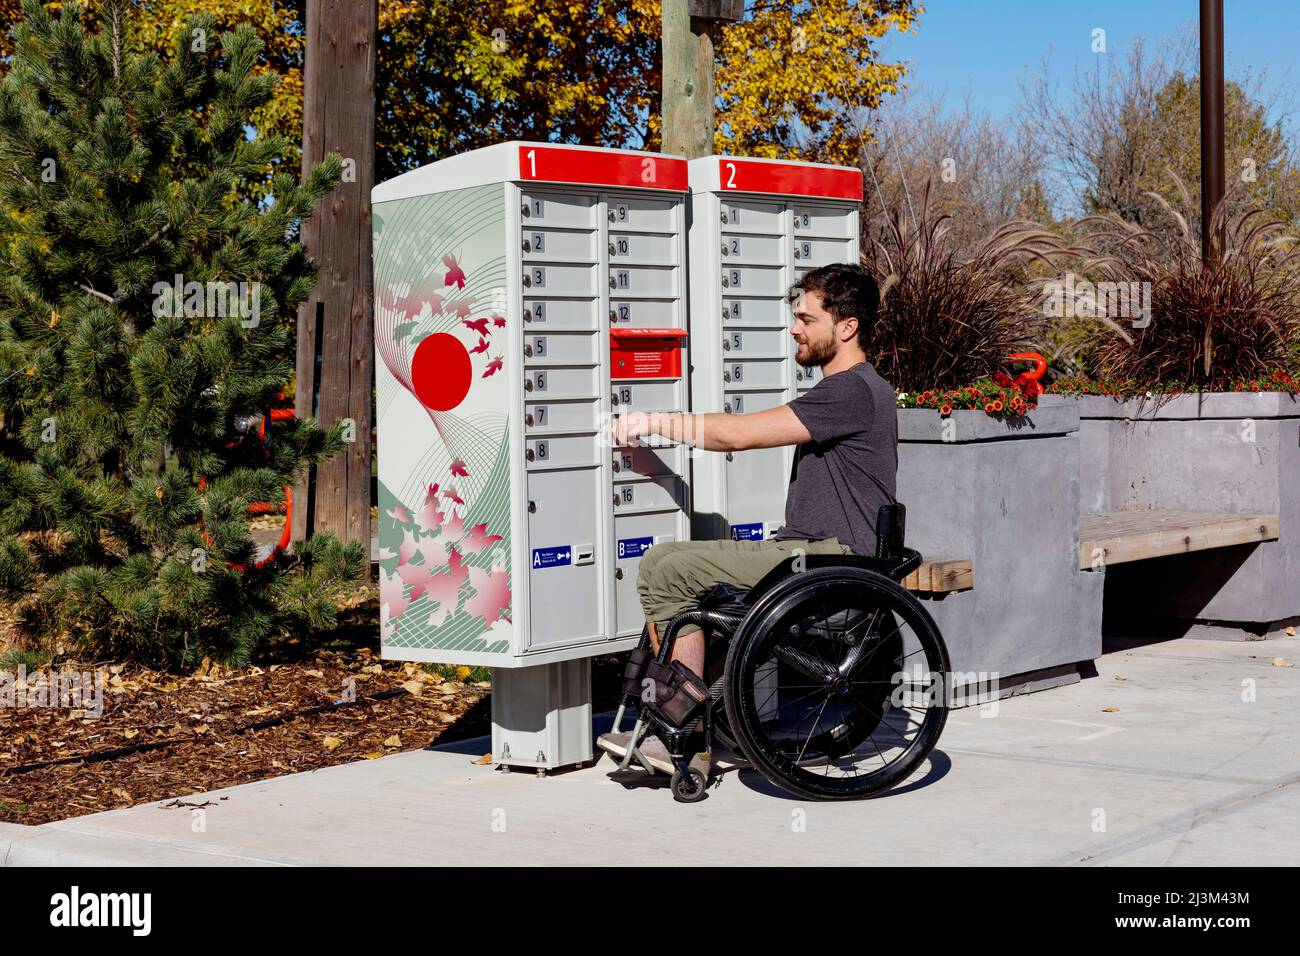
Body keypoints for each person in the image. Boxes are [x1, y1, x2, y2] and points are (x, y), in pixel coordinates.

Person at [610, 262, 899, 684]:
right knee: (664, 562)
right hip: (815, 554)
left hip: (830, 561)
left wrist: (654, 421)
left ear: (847, 327)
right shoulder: (858, 388)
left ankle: (682, 723)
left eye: (806, 319)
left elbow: (737, 435)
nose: (795, 330)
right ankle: (687, 709)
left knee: (670, 569)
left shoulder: (850, 390)